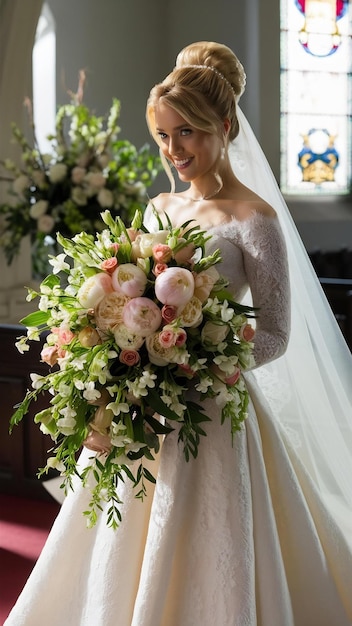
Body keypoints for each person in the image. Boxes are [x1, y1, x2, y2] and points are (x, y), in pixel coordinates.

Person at [5, 41, 352, 626]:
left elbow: (275, 334)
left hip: (213, 409)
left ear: (223, 125)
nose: (174, 150)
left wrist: (199, 360)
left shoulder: (254, 219)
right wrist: (117, 355)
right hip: (144, 407)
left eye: (186, 132)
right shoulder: (160, 204)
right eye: (164, 136)